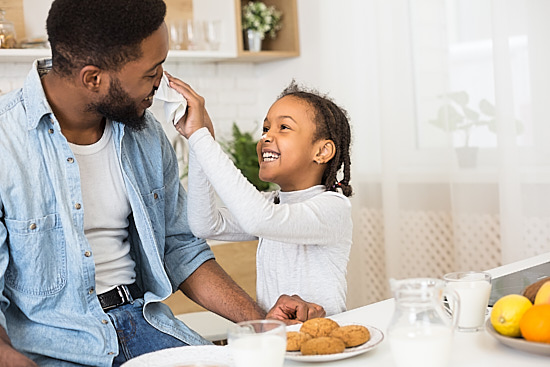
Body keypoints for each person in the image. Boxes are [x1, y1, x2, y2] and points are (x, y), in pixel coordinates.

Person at [0, 1, 325, 366]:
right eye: (151, 72)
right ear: (94, 78)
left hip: (145, 327)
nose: (162, 82)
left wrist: (261, 322)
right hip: (52, 351)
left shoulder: (146, 134)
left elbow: (181, 249)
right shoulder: (6, 142)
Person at [169, 76, 354, 316]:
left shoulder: (333, 208)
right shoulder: (272, 204)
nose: (266, 137)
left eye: (283, 127)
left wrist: (201, 139)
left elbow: (260, 219)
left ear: (322, 151)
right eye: (265, 128)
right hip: (278, 340)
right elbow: (205, 225)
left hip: (322, 340)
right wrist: (198, 143)